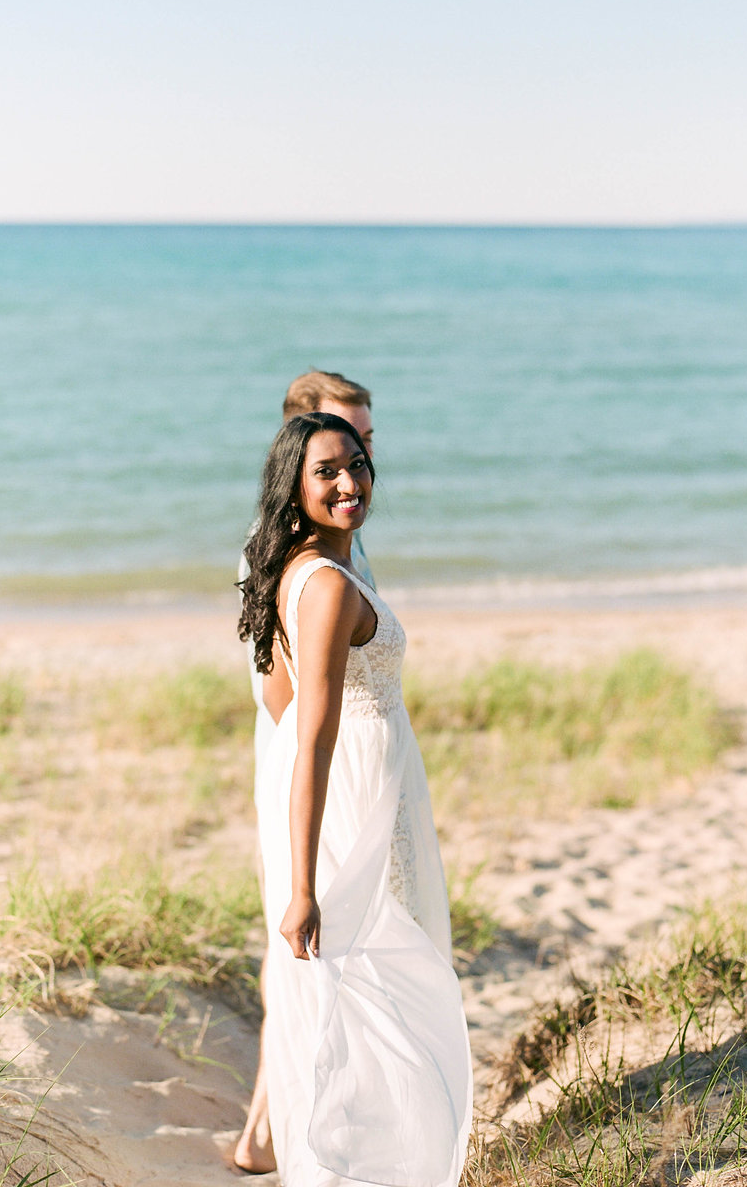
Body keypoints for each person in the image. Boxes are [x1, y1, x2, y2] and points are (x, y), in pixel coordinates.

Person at [237, 412, 472, 1187]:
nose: (349, 483)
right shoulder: (329, 586)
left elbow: (277, 702)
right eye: (327, 472)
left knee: (369, 974)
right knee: (386, 972)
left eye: (358, 464)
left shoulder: (298, 573)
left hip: (357, 794)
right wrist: (303, 886)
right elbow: (306, 735)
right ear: (295, 489)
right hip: (362, 805)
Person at [235, 371, 375, 1175]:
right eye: (333, 456)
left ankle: (281, 1127)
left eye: (363, 450)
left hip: (353, 768)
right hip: (320, 773)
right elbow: (287, 702)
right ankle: (274, 1129)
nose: (353, 473)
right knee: (313, 955)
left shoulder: (335, 544)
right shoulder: (306, 565)